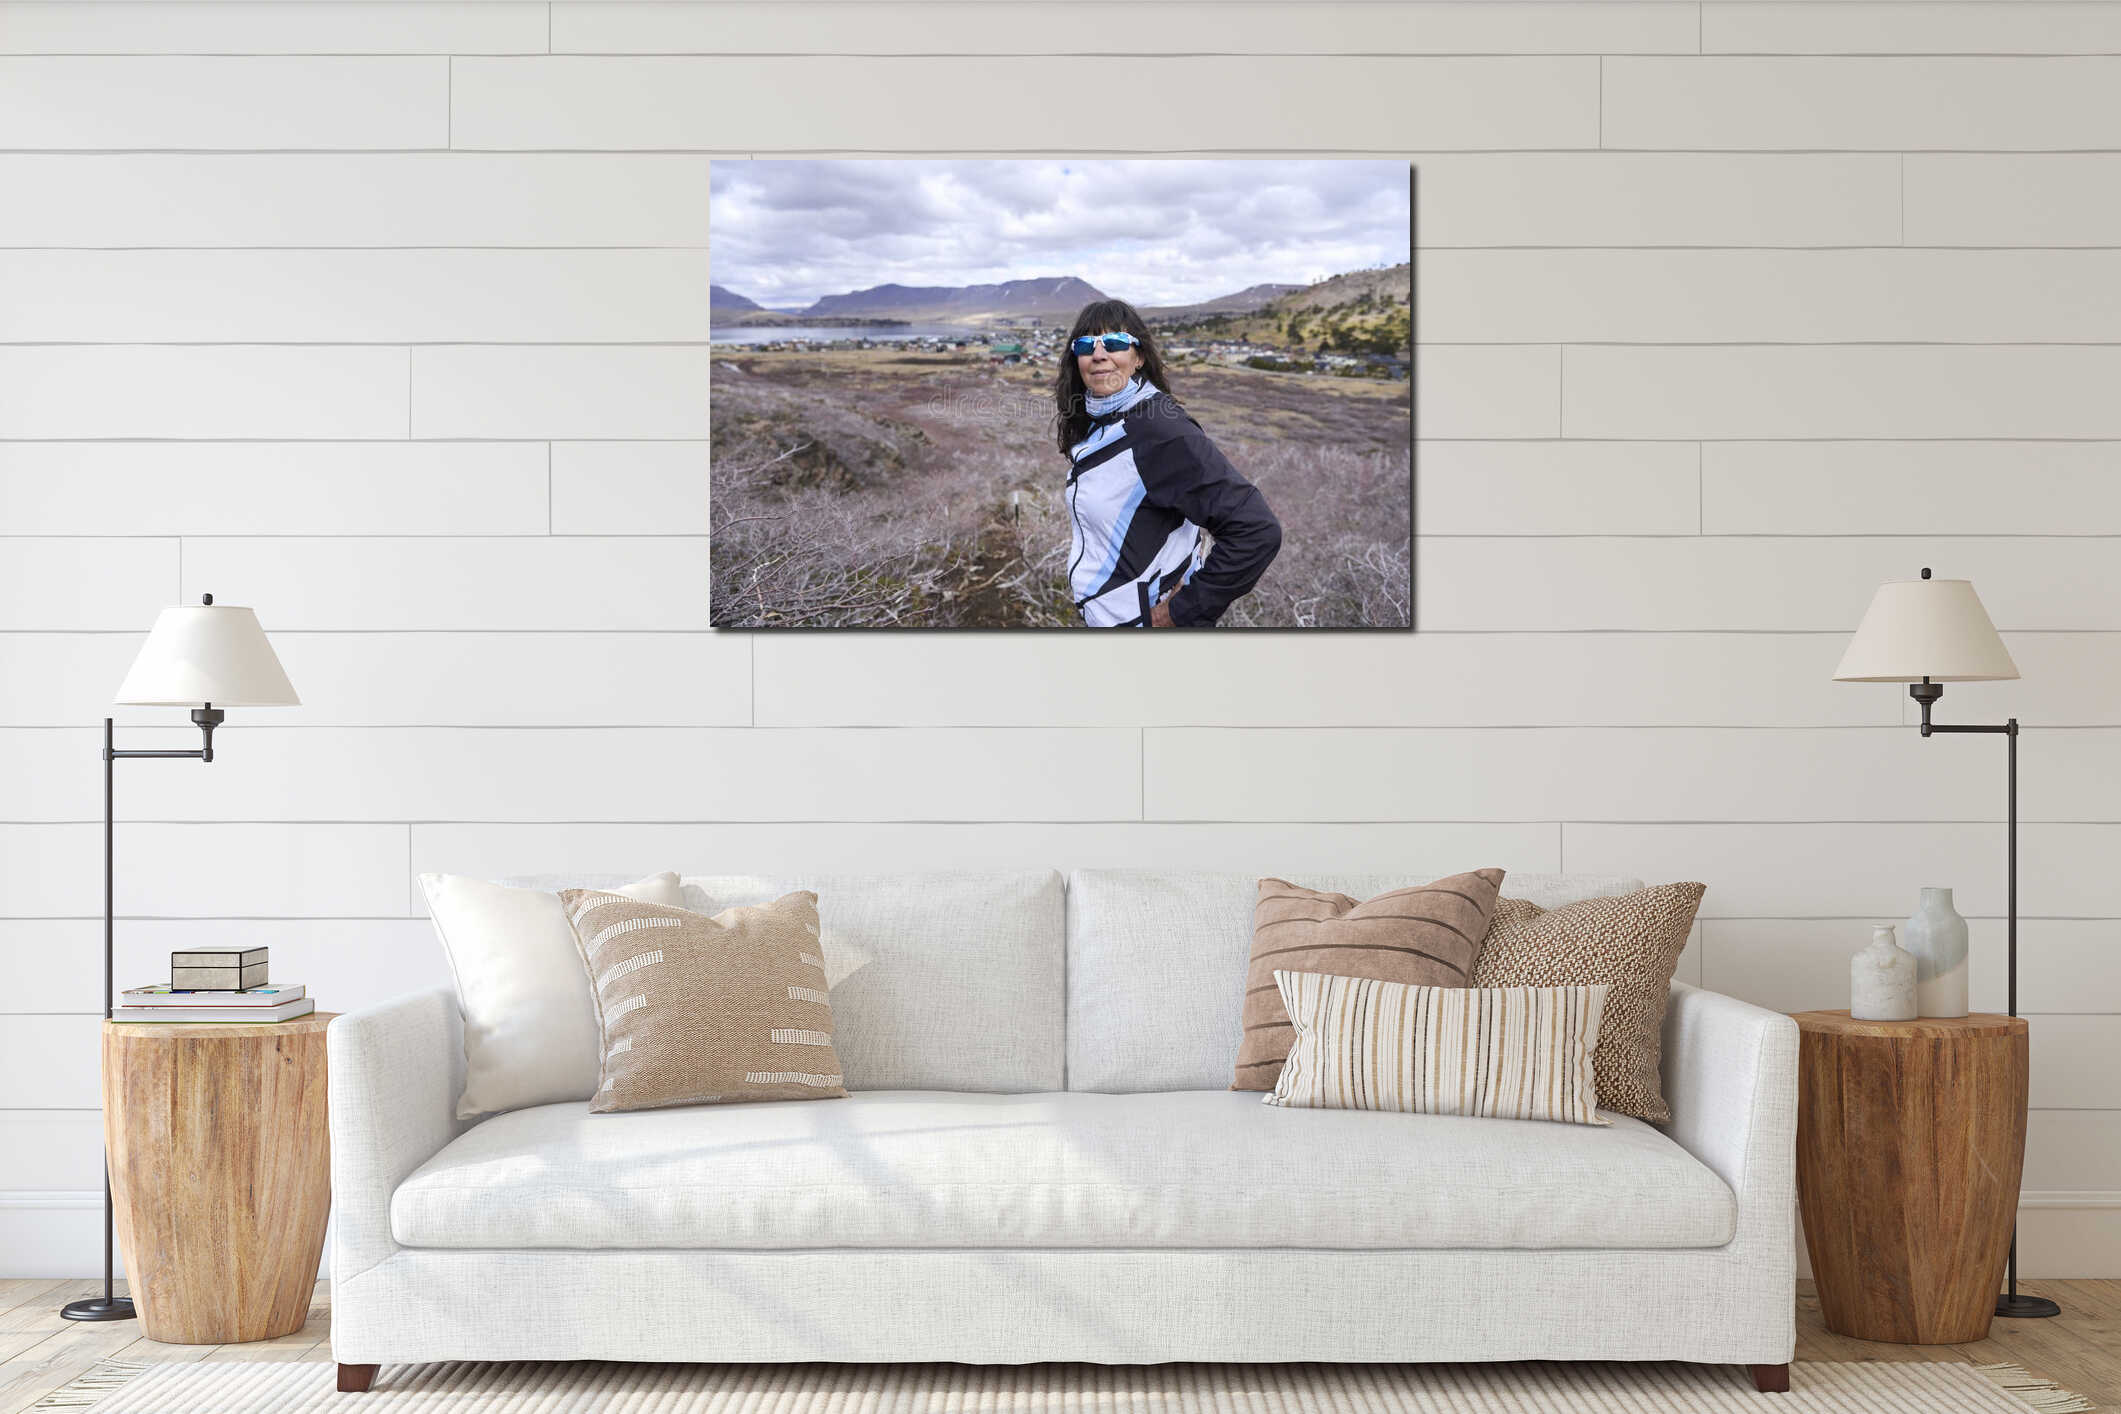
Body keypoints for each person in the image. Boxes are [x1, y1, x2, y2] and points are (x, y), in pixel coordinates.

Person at [1052, 300, 1281, 627]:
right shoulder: (1101, 423)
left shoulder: (1159, 429)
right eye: (1086, 344)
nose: (1099, 354)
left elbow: (1257, 530)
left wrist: (1178, 613)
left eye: (1115, 342)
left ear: (1139, 357)